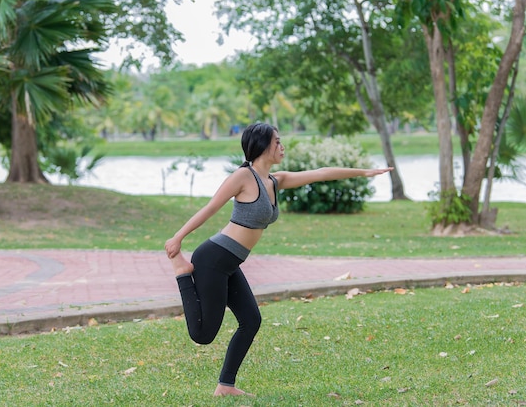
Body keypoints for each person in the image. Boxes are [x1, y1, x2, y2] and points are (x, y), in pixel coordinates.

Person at [164, 122, 393, 397]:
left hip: (230, 262)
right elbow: (211, 207)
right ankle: (181, 272)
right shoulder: (243, 177)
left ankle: (225, 386)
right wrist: (178, 238)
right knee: (203, 335)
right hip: (213, 258)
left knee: (251, 320)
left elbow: (320, 174)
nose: (282, 146)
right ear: (262, 146)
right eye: (277, 142)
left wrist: (365, 172)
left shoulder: (275, 180)